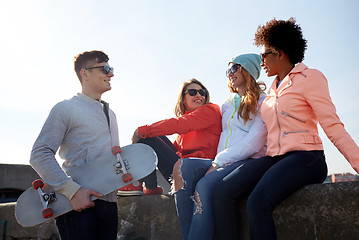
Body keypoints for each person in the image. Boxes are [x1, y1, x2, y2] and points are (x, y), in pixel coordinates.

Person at [215, 18, 359, 240]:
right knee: (223, 190)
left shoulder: (310, 77)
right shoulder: (271, 91)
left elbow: (333, 126)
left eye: (264, 55)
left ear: (281, 53)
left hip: (306, 157)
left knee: (257, 202)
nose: (261, 61)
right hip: (274, 159)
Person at [172, 54, 268, 240]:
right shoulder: (227, 105)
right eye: (228, 70)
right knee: (182, 167)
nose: (229, 74)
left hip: (246, 160)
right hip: (221, 161)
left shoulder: (263, 102)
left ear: (246, 70)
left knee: (204, 185)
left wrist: (219, 162)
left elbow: (254, 143)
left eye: (234, 68)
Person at [30, 50, 119, 240]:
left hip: (110, 205)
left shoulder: (112, 115)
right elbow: (39, 154)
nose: (110, 74)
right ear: (84, 73)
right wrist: (72, 191)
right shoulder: (66, 108)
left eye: (110, 68)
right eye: (104, 68)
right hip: (76, 206)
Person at [118, 78, 222, 196]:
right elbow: (172, 150)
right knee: (153, 138)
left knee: (146, 136)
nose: (198, 95)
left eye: (202, 92)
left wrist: (142, 131)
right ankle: (151, 187)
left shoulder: (210, 110)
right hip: (181, 170)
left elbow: (180, 124)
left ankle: (143, 185)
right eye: (193, 92)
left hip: (199, 170)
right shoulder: (186, 128)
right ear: (183, 99)